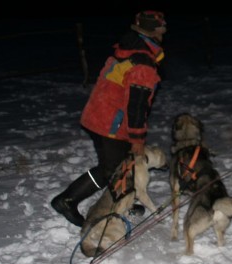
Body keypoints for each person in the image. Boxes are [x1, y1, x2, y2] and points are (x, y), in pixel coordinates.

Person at [51, 11, 167, 226]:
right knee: (111, 170)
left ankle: (127, 203)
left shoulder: (128, 47)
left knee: (121, 164)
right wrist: (137, 139)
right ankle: (66, 201)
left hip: (98, 115)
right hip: (110, 123)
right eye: (162, 28)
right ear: (155, 31)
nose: (165, 31)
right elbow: (136, 106)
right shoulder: (143, 64)